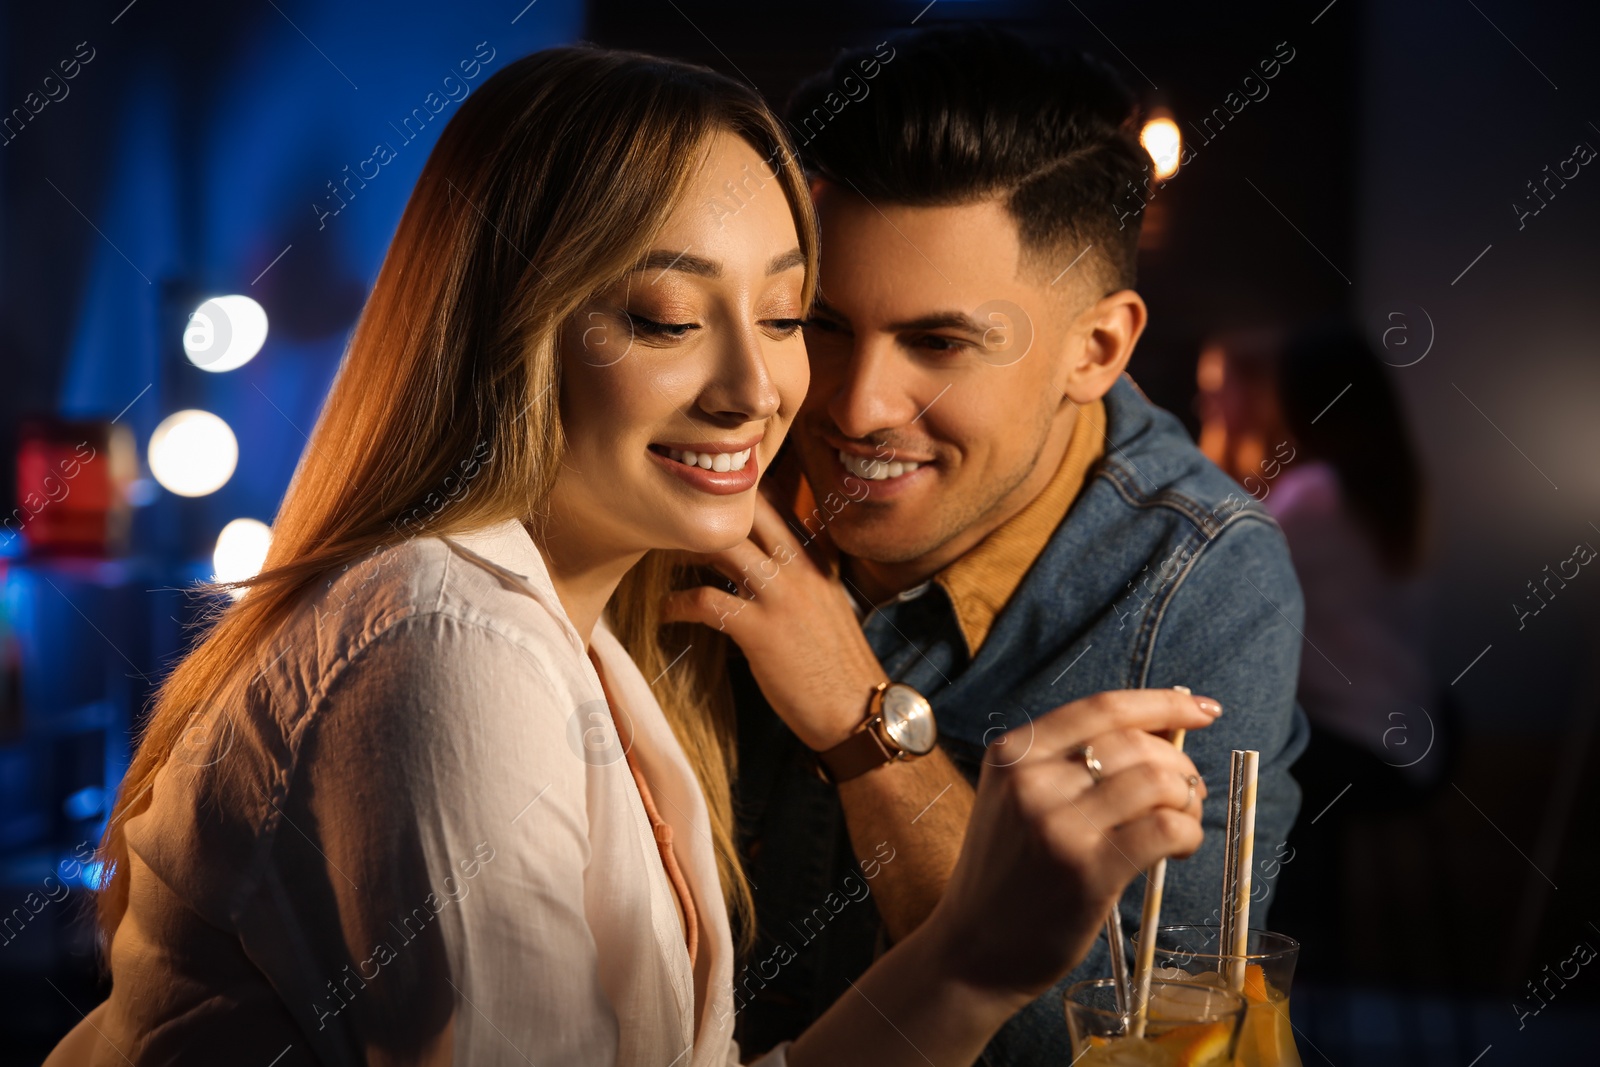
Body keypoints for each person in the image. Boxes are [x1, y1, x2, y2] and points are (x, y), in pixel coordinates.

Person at [46, 46, 1219, 1066]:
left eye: (778, 316)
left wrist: (976, 951)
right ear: (508, 329)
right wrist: (969, 949)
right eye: (667, 319)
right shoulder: (447, 637)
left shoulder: (589, 643)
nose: (761, 393)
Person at [659, 27, 1309, 1062]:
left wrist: (858, 717)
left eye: (938, 344)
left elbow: (1105, 1045)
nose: (854, 405)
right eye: (816, 323)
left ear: (1095, 350)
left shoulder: (1203, 576)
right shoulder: (701, 448)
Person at [1197, 320, 1436, 977]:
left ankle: (1273, 972)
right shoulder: (1374, 486)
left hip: (1360, 743)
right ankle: (1287, 969)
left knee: (1242, 769)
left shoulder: (1313, 496)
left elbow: (1218, 585)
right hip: (1405, 735)